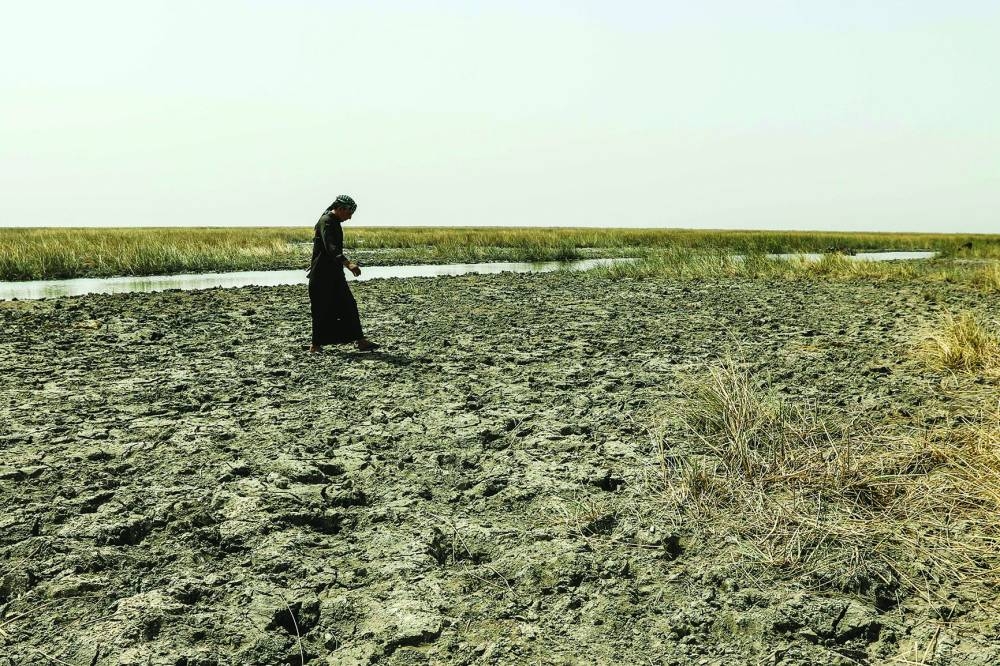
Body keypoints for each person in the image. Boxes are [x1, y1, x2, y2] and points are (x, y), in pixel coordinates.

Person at [307, 195, 379, 353]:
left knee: (348, 305)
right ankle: (315, 345)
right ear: (340, 208)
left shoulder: (334, 222)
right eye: (349, 212)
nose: (350, 217)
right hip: (321, 275)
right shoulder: (326, 221)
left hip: (334, 274)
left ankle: (360, 341)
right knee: (320, 309)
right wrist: (348, 263)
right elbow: (331, 247)